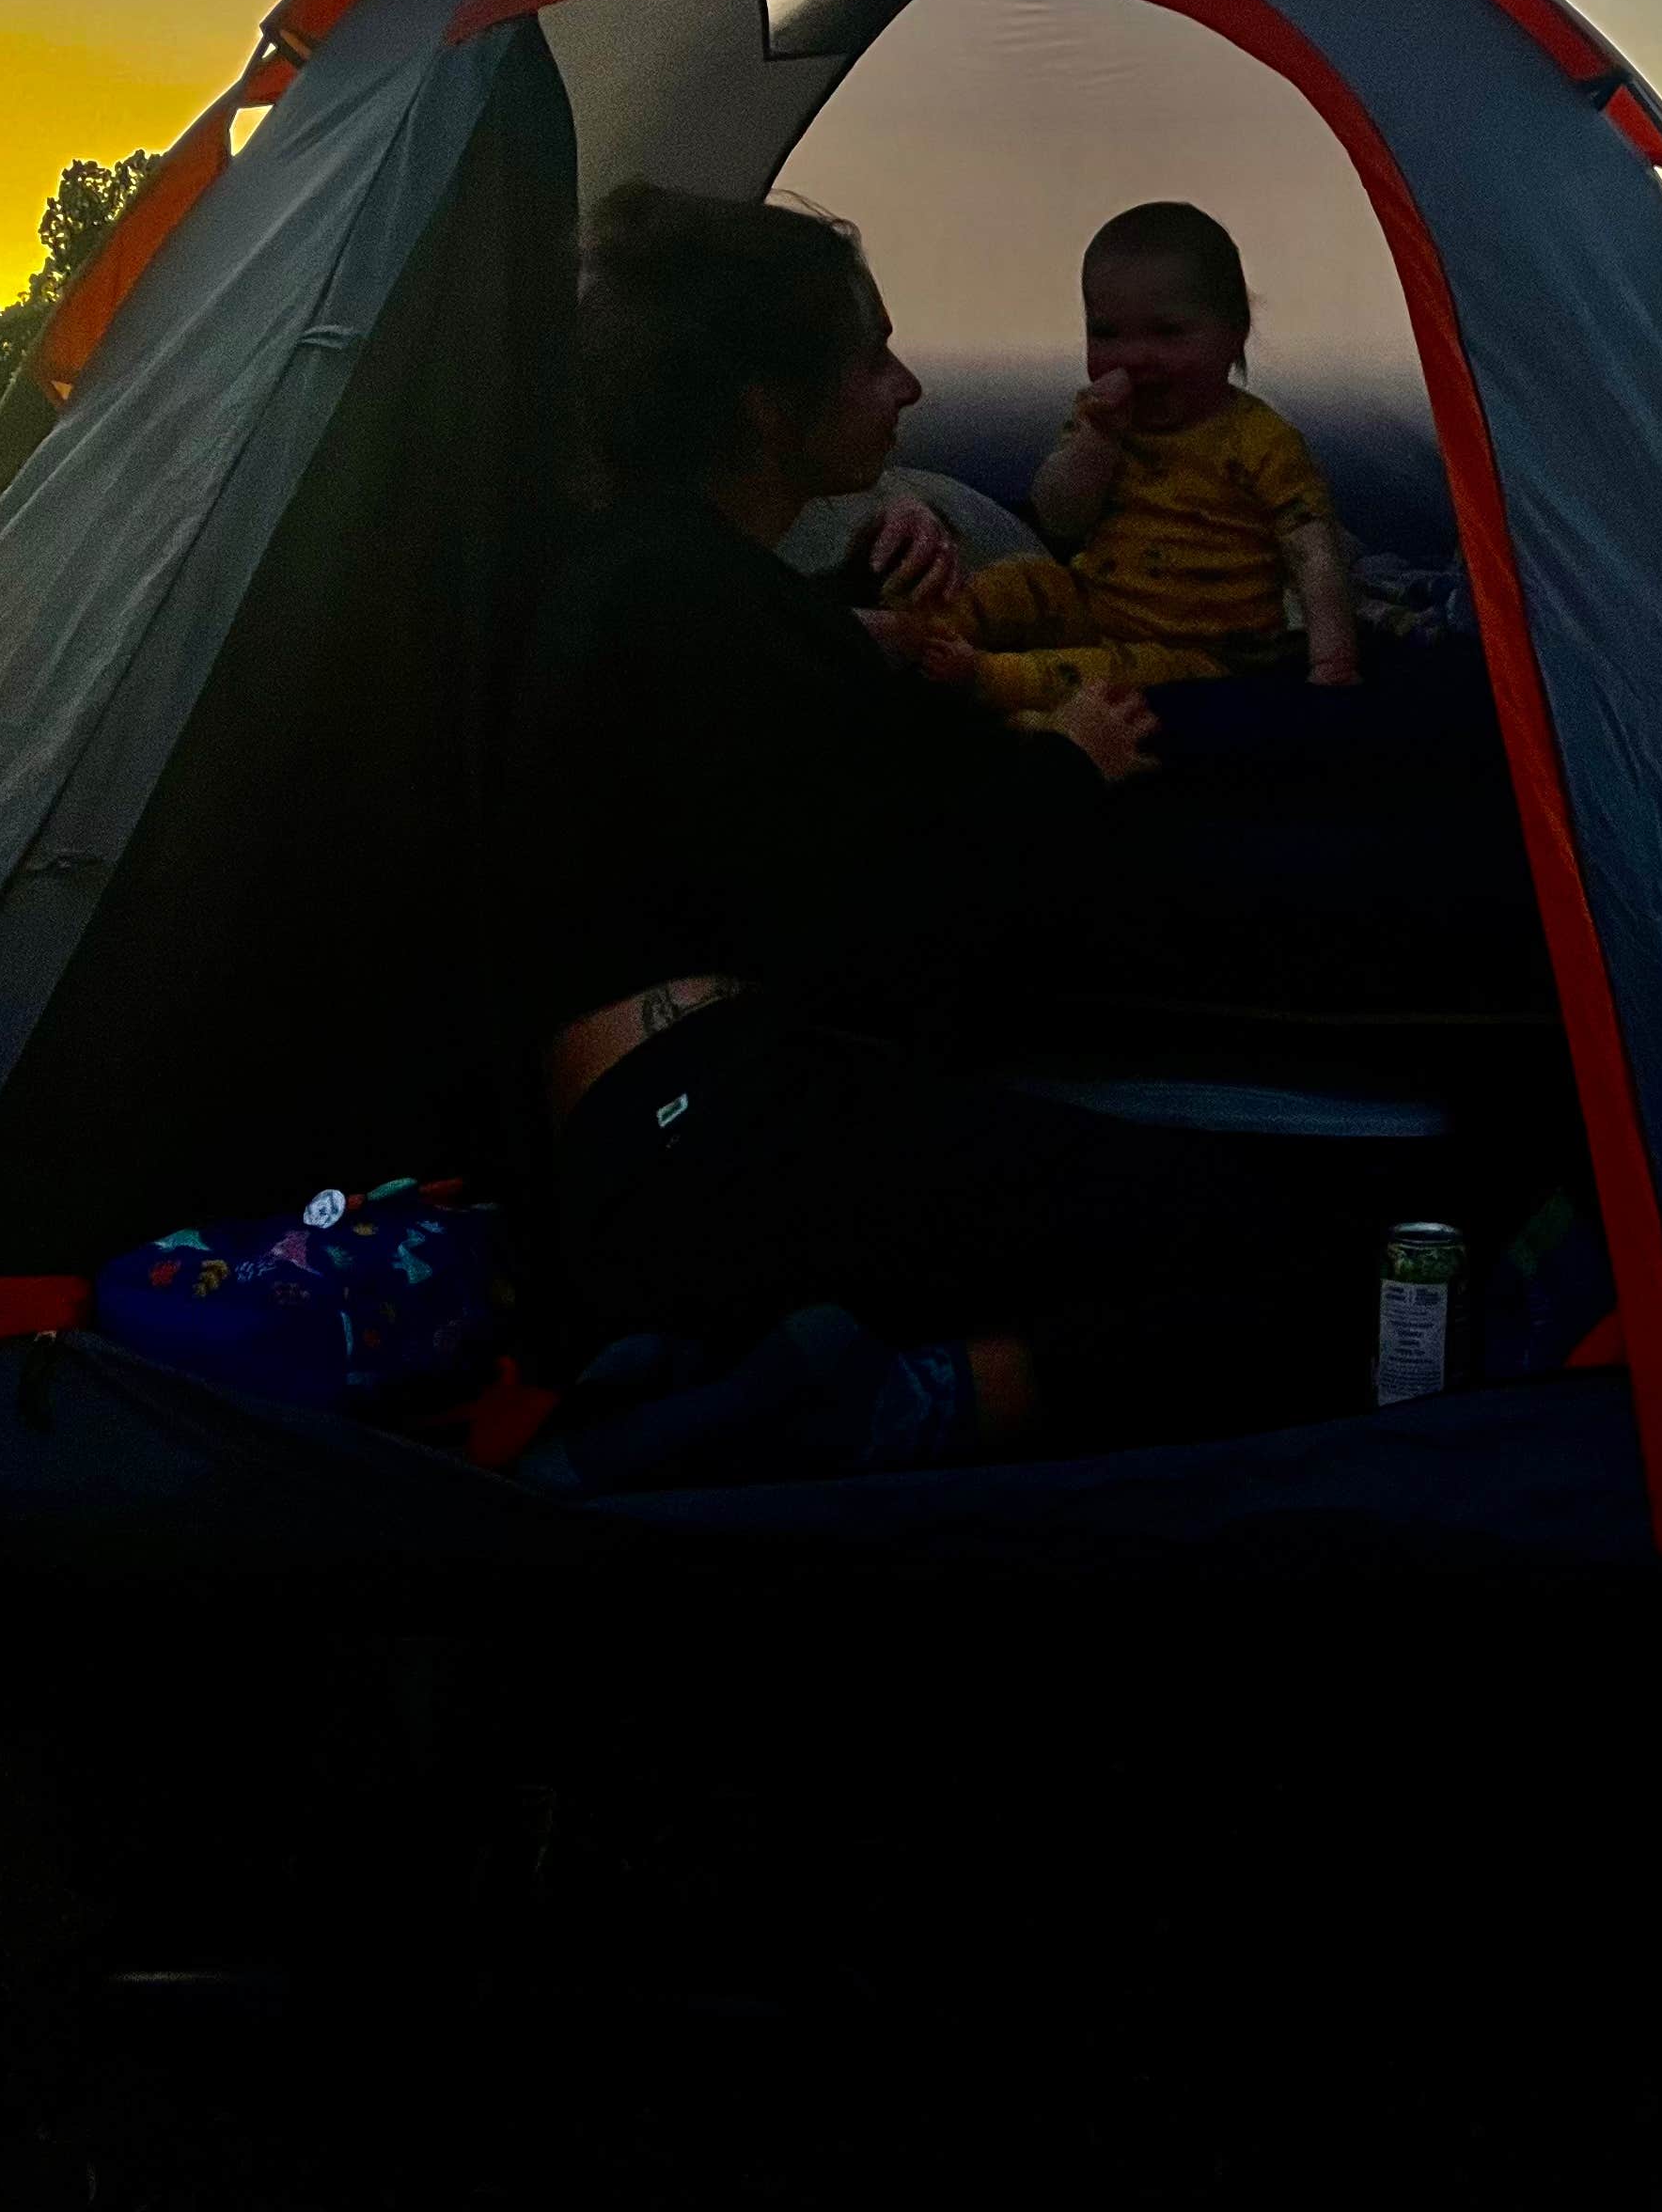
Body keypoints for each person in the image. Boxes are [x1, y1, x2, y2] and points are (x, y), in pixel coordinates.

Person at [499, 182, 1408, 1478]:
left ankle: (809, 1386)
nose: (908, 385)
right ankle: (857, 1414)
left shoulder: (656, 579)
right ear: (766, 407)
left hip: (669, 1139)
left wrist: (857, 595)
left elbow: (766, 739)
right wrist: (1070, 764)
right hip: (712, 1139)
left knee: (1159, 1209)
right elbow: (887, 912)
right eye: (869, 357)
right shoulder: (683, 608)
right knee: (1291, 1257)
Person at [902, 202, 1361, 710]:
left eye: (1166, 333)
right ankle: (915, 631)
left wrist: (1332, 664)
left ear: (1235, 334)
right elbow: (1058, 518)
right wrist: (1094, 444)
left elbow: (1314, 553)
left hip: (1200, 650)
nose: (1134, 357)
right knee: (1023, 581)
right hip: (1093, 603)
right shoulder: (1102, 420)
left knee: (1105, 675)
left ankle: (989, 680)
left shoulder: (1261, 441)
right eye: (1106, 333)